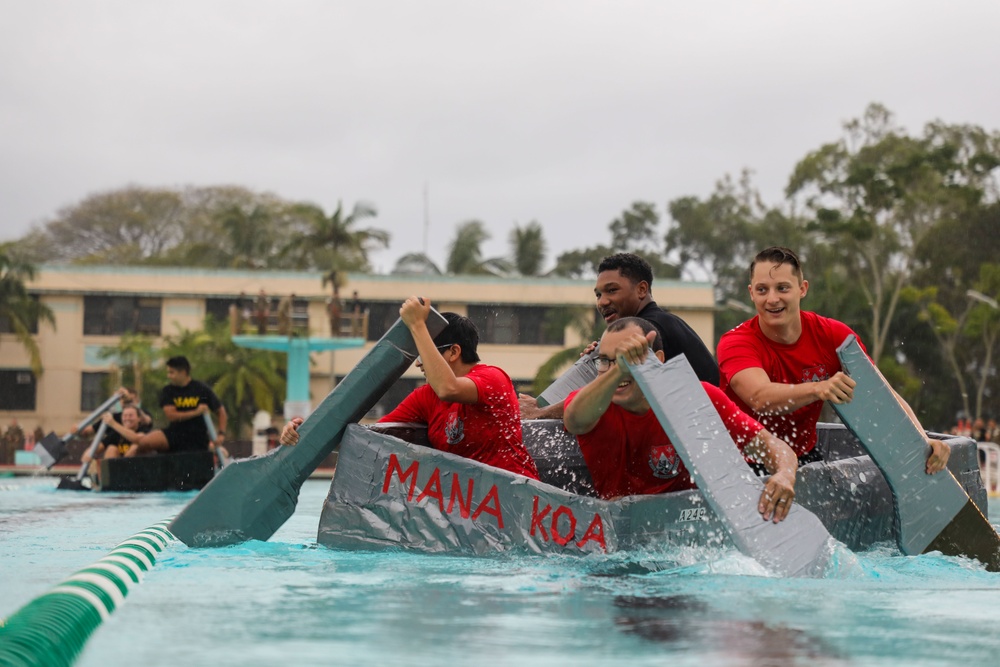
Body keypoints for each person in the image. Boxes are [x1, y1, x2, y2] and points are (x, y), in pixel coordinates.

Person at [717, 246, 949, 474]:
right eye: (762, 290)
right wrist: (818, 388)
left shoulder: (833, 335)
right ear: (751, 293)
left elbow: (882, 394)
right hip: (740, 465)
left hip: (803, 460)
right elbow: (761, 399)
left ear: (802, 289)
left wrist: (922, 440)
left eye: (782, 288)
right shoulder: (736, 343)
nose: (772, 299)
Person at [563, 317, 798, 522]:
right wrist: (620, 370)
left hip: (691, 530)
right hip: (623, 532)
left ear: (658, 359)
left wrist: (785, 475)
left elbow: (771, 445)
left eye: (630, 358)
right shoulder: (591, 402)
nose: (618, 368)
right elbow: (575, 421)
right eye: (606, 361)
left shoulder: (698, 397)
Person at [282, 297, 540, 480]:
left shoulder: (493, 379)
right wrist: (305, 431)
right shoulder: (426, 397)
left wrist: (418, 326)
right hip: (471, 509)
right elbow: (367, 440)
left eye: (425, 352)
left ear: (453, 352)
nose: (419, 363)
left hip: (518, 494)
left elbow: (448, 388)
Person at [520, 252, 719, 419]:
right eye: (598, 295)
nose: (602, 302)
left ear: (642, 289)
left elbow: (604, 392)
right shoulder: (659, 321)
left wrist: (540, 413)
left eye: (612, 291)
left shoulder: (650, 328)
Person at [133, 356, 228, 457]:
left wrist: (221, 434)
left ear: (183, 372)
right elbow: (172, 416)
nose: (169, 376)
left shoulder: (201, 389)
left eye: (171, 372)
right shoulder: (168, 390)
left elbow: (221, 412)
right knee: (144, 443)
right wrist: (196, 412)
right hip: (175, 433)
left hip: (197, 437)